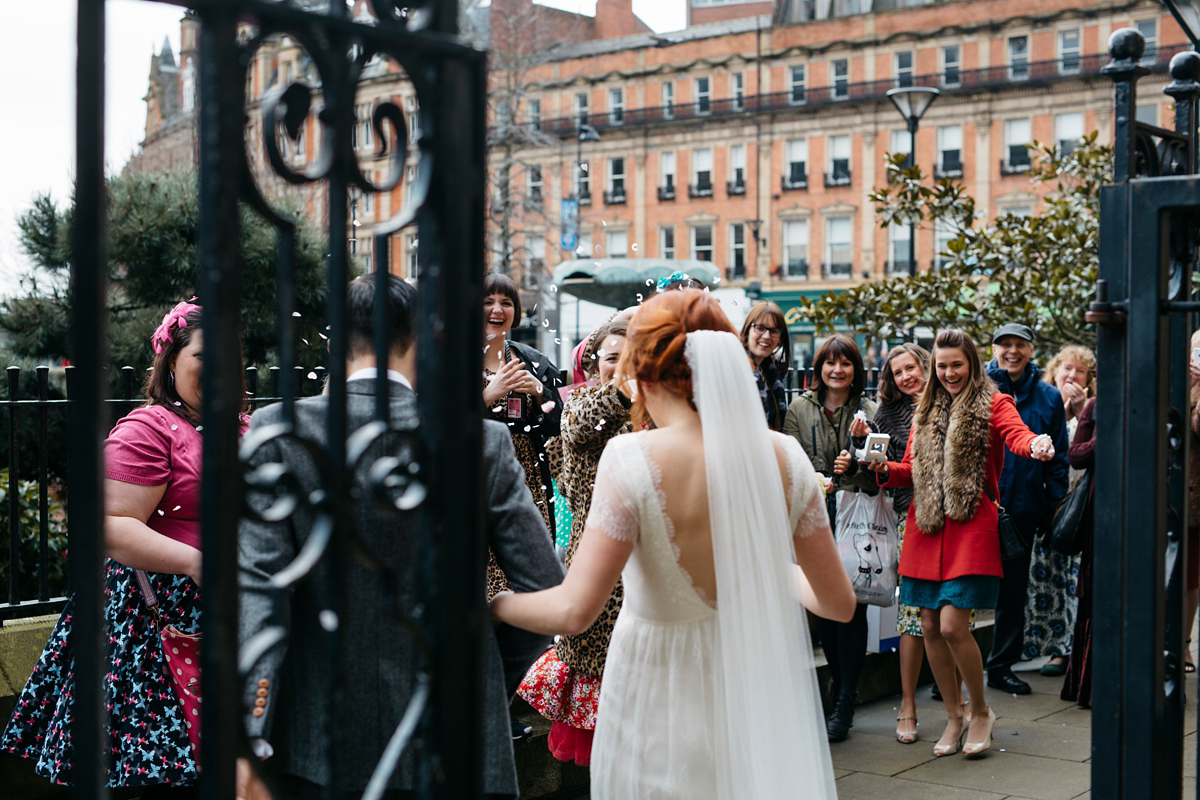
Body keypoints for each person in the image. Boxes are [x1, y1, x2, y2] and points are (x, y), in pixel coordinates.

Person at [492, 289, 857, 799]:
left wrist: (496, 605)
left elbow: (574, 611)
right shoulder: (787, 456)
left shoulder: (630, 458)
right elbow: (838, 605)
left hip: (654, 682)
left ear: (642, 367)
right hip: (749, 681)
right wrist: (772, 565)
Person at [237, 275, 565, 800]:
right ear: (421, 339)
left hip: (316, 742)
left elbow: (258, 595)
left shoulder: (277, 433)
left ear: (332, 340)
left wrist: (248, 734)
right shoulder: (481, 441)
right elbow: (547, 590)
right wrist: (486, 668)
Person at [1, 300, 241, 793]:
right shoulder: (147, 429)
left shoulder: (241, 427)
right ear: (171, 361)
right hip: (156, 629)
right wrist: (196, 561)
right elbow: (107, 524)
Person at [866, 329, 1056, 757]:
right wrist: (881, 467)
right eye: (942, 365)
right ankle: (954, 715)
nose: (949, 372)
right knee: (929, 625)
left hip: (971, 524)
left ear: (971, 363)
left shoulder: (994, 402)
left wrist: (1036, 444)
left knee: (953, 625)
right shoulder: (924, 410)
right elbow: (909, 470)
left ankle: (982, 710)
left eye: (957, 364)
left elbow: (1017, 435)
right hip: (925, 525)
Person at [520, 317, 633, 766]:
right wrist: (631, 384)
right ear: (592, 364)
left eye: (632, 358)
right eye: (611, 359)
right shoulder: (581, 406)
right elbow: (588, 420)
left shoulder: (660, 414)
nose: (621, 367)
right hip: (602, 584)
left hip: (652, 578)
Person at [872, 342, 975, 743]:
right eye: (897, 372)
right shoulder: (889, 414)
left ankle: (960, 703)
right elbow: (897, 470)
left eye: (911, 367)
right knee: (913, 621)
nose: (906, 376)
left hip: (953, 520)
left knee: (945, 619)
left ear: (925, 365)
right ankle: (909, 705)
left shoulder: (950, 400)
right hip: (911, 517)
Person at [783, 333, 878, 741]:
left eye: (846, 364)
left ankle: (843, 702)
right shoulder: (798, 408)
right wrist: (822, 470)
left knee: (853, 606)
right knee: (823, 608)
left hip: (858, 516)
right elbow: (789, 457)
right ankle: (841, 685)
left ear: (856, 370)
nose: (837, 371)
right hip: (813, 515)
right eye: (830, 363)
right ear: (819, 368)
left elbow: (879, 467)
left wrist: (855, 459)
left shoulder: (870, 409)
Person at [983, 323, 1069, 695]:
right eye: (1005, 345)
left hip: (1023, 509)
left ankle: (1001, 665)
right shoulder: (979, 390)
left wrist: (1052, 509)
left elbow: (1059, 460)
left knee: (1014, 593)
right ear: (994, 348)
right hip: (980, 506)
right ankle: (954, 671)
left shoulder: (1049, 397)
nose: (1012, 351)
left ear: (1031, 351)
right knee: (968, 591)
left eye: (1019, 345)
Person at [482, 272, 563, 600]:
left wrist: (542, 393)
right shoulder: (453, 361)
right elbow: (438, 420)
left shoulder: (534, 362)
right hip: (480, 478)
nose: (496, 310)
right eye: (487, 302)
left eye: (506, 302)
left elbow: (560, 424)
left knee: (528, 576)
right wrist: (488, 395)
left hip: (527, 482)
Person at [1024, 346, 1096, 677]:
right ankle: (1048, 647)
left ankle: (1068, 651)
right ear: (1055, 371)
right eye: (1067, 369)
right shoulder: (1047, 404)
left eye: (1079, 371)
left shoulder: (1093, 409)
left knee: (1073, 581)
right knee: (1045, 579)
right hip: (1048, 505)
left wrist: (1080, 412)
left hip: (1080, 506)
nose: (1072, 376)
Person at [1061, 396, 1097, 707]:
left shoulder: (1159, 404)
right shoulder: (1096, 406)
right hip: (1099, 515)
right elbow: (1076, 455)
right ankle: (1088, 683)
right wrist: (1105, 437)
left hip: (1144, 515)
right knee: (1095, 596)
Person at [739, 301, 790, 431]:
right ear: (747, 330)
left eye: (774, 331)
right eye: (760, 328)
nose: (766, 336)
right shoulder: (735, 368)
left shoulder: (770, 371)